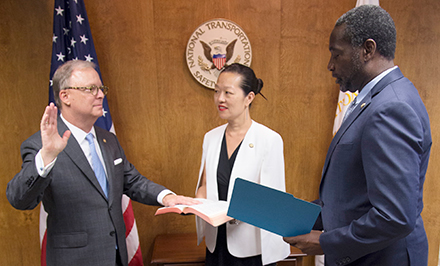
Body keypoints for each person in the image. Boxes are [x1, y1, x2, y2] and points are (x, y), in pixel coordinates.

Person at [6, 60, 199, 266]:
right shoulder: (41, 145)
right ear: (65, 96)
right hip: (74, 260)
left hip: (116, 256)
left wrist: (166, 197)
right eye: (90, 89)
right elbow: (19, 199)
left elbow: (130, 180)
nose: (100, 95)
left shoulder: (108, 139)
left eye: (101, 88)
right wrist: (47, 156)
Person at [283, 5, 431, 266]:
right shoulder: (375, 100)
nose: (330, 65)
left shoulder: (391, 107)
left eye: (336, 54)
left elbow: (395, 216)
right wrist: (294, 214)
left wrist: (325, 242)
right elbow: (355, 192)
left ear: (367, 50)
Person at [195, 63, 290, 266]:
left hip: (250, 249)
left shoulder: (269, 140)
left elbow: (273, 200)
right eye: (217, 91)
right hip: (216, 244)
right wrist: (195, 203)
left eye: (228, 92)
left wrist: (235, 212)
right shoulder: (210, 138)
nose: (220, 99)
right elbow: (205, 186)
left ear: (249, 98)